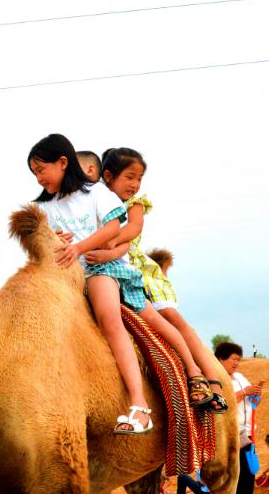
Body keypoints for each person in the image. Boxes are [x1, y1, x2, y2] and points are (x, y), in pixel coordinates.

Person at [29, 135, 157, 433]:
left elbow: (113, 227)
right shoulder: (46, 207)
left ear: (63, 163)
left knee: (108, 318)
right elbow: (48, 241)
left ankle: (139, 405)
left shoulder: (96, 194)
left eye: (40, 170)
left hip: (100, 267)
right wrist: (54, 241)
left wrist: (79, 248)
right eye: (34, 173)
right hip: (67, 275)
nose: (38, 178)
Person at [87, 146, 226, 412]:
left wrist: (110, 239)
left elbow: (134, 229)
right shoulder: (96, 202)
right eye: (129, 177)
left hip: (137, 270)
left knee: (170, 318)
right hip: (107, 266)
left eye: (138, 178)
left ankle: (205, 377)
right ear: (108, 176)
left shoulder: (133, 204)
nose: (135, 184)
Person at [216, 341, 258, 494]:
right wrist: (245, 393)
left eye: (238, 360)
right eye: (233, 359)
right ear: (221, 358)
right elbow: (221, 402)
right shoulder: (214, 377)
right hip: (225, 434)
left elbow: (251, 401)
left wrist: (255, 393)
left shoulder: (240, 377)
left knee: (248, 473)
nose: (236, 363)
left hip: (246, 432)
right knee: (226, 475)